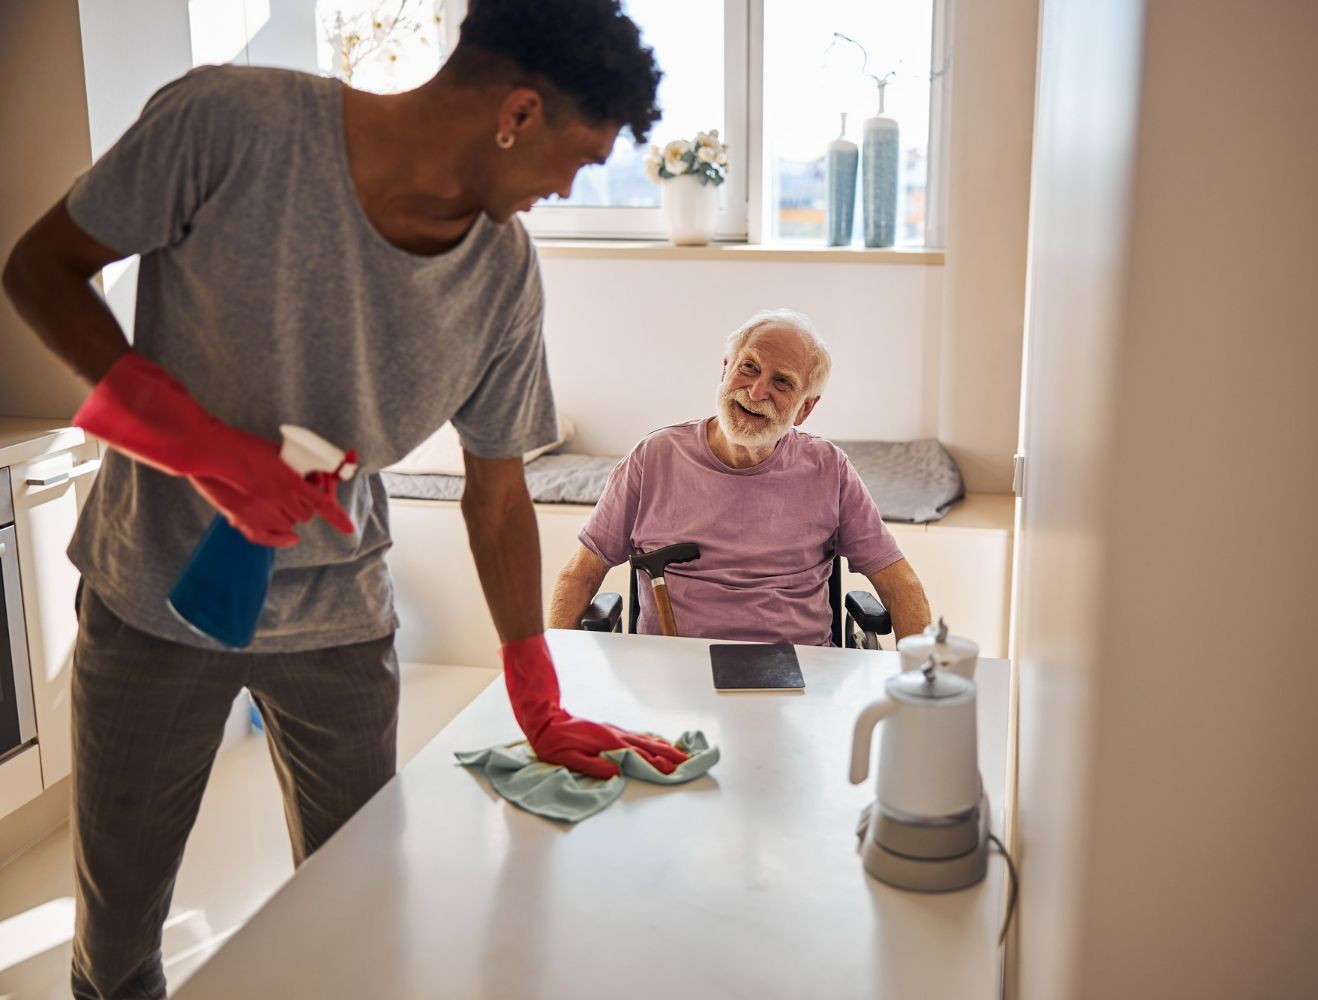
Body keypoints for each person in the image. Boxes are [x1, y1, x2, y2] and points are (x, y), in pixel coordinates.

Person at [1, 2, 689, 997]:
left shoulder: (501, 275)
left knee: (362, 924)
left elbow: (495, 490)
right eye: (577, 160)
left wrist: (537, 698)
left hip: (341, 626)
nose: (563, 190)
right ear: (520, 112)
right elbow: (39, 269)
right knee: (116, 954)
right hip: (153, 602)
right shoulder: (230, 123)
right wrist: (202, 450)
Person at [549, 309, 932, 646]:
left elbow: (901, 586)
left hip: (799, 677)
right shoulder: (654, 458)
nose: (756, 390)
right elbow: (580, 575)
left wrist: (917, 692)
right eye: (748, 367)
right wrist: (551, 675)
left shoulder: (829, 469)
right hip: (673, 675)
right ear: (725, 370)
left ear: (805, 408)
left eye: (782, 382)